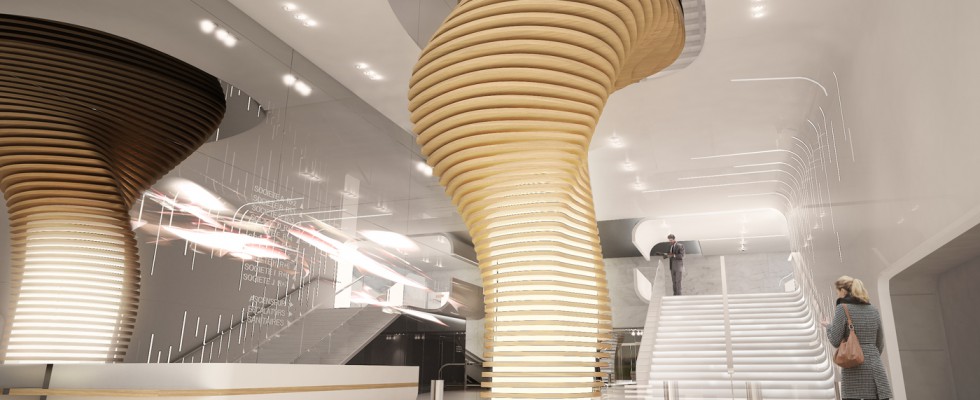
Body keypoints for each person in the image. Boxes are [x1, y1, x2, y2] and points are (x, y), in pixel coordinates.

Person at [822, 276, 893, 400]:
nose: (837, 295)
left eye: (837, 292)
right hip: (875, 367)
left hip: (853, 368)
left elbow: (835, 340)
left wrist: (828, 326)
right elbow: (880, 343)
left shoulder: (842, 308)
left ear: (843, 291)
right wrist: (870, 353)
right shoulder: (873, 310)